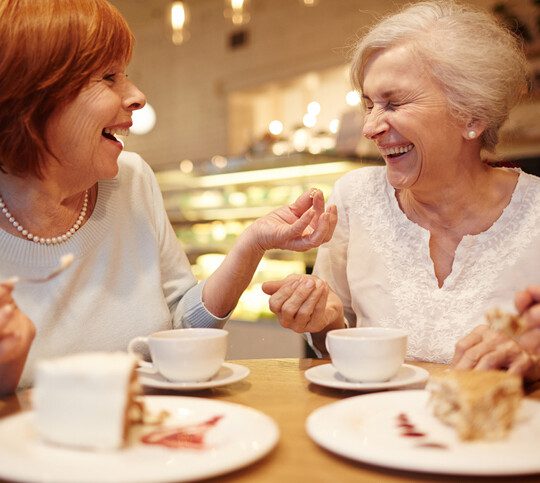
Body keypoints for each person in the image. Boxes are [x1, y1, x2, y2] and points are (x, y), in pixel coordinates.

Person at [0, 0, 337, 394]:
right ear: (31, 98)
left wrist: (252, 243)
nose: (138, 96)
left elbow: (181, 327)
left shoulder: (133, 179)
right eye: (109, 77)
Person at [263, 0, 540, 379]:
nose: (370, 128)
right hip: (374, 431)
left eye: (393, 103)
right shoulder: (355, 198)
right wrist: (323, 322)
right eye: (369, 105)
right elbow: (333, 342)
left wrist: (533, 357)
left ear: (472, 114)